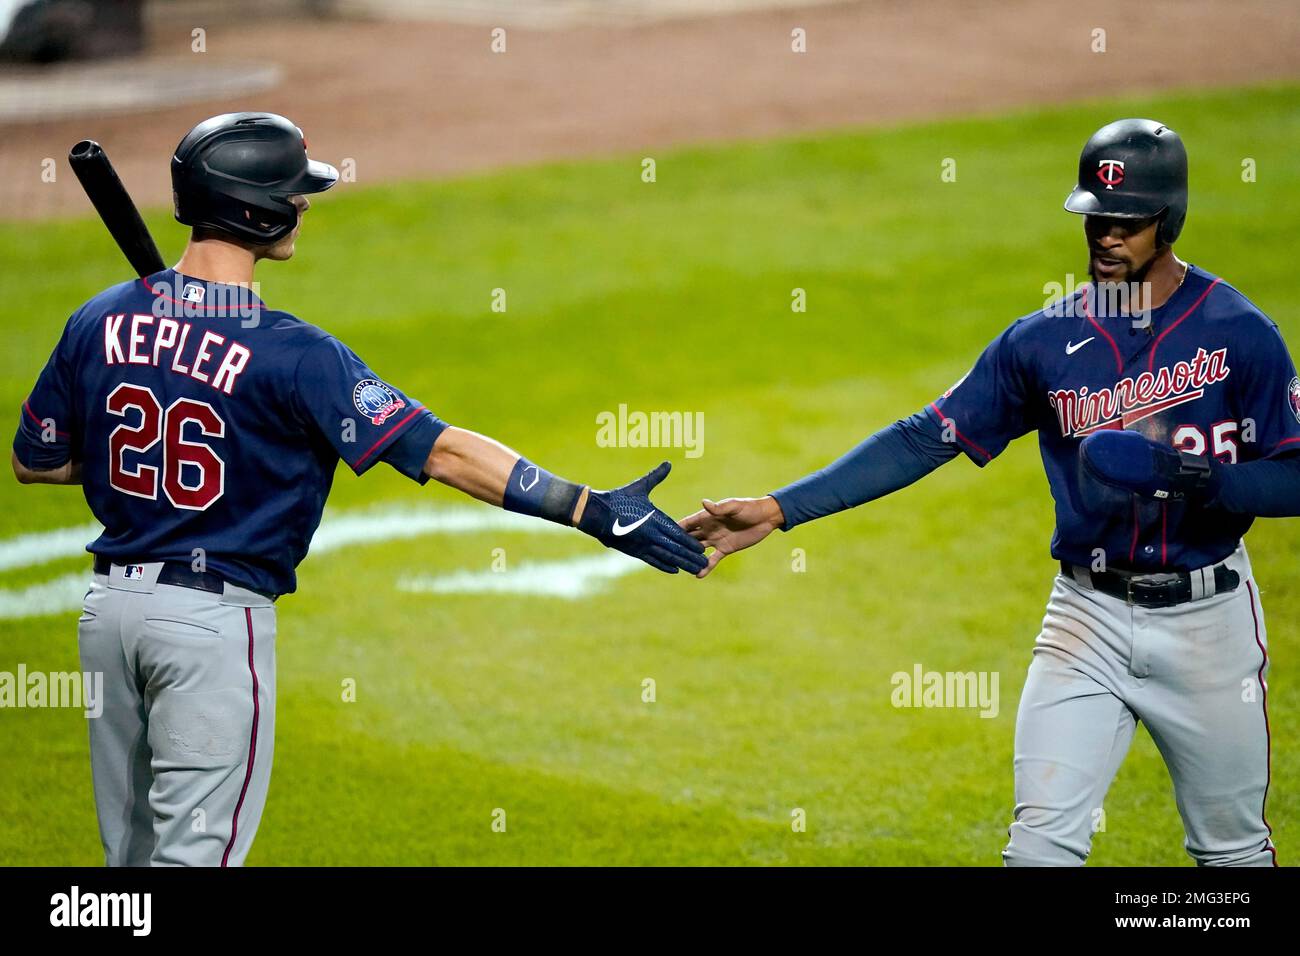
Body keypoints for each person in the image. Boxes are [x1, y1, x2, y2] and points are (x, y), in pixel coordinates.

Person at [11, 111, 705, 866]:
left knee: (131, 865)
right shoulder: (297, 355)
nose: (303, 205)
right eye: (292, 192)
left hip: (108, 618)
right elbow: (440, 451)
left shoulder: (98, 319)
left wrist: (137, 456)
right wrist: (587, 507)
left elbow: (36, 460)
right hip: (209, 631)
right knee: (196, 858)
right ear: (256, 205)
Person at [681, 119, 1299, 866]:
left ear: (1168, 220)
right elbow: (923, 437)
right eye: (1094, 218)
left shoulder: (1240, 333)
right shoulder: (1041, 341)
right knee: (1038, 852)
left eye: (1126, 221)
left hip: (1209, 627)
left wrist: (1202, 480)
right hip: (1088, 619)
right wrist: (782, 509)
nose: (1104, 236)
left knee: (1230, 855)